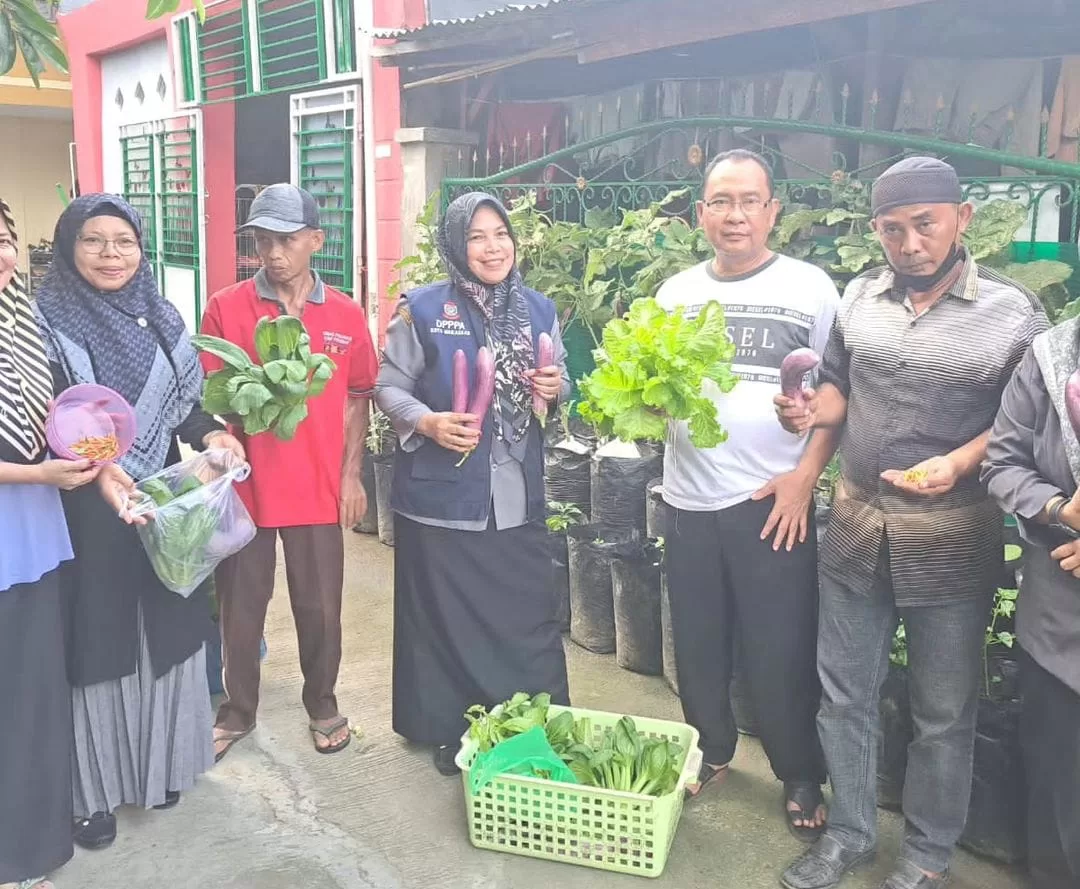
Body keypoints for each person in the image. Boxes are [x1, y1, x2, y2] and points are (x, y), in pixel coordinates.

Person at [776, 157, 1047, 889]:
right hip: (857, 528)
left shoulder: (1014, 312)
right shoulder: (859, 296)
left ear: (961, 218)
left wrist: (959, 461)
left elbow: (1028, 422)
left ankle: (927, 855)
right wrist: (808, 412)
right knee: (845, 694)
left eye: (925, 223)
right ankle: (852, 832)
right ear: (876, 232)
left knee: (942, 709)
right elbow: (837, 390)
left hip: (953, 538)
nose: (911, 242)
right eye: (893, 228)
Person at [32, 195, 243, 851]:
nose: (111, 254)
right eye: (93, 241)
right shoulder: (43, 326)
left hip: (159, 497)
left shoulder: (162, 316)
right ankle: (91, 795)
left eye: (123, 241)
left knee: (169, 627)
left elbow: (185, 407)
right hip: (83, 507)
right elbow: (41, 423)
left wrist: (216, 434)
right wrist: (96, 468)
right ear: (69, 248)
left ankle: (163, 768)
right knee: (98, 638)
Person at [655, 150, 838, 838]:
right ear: (701, 212)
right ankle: (710, 748)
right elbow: (653, 388)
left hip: (772, 502)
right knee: (698, 641)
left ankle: (798, 770)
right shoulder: (674, 294)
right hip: (686, 498)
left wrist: (805, 475)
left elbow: (837, 396)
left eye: (749, 201)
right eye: (720, 201)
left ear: (772, 211)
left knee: (779, 648)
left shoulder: (812, 289)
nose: (735, 215)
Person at [375, 192, 571, 776]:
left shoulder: (539, 310)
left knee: (526, 613)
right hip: (444, 498)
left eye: (501, 234)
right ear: (457, 247)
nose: (493, 247)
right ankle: (451, 728)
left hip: (516, 494)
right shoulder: (424, 308)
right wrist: (428, 422)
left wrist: (555, 390)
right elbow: (388, 387)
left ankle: (531, 723)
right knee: (446, 621)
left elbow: (564, 389)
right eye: (477, 237)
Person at [202, 184, 377, 760]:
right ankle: (238, 710)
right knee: (240, 607)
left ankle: (322, 703)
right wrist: (222, 434)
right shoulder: (226, 307)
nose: (273, 253)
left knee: (321, 606)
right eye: (262, 241)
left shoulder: (346, 313)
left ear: (315, 241)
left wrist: (351, 477)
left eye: (286, 240)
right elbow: (211, 397)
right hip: (246, 485)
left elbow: (357, 397)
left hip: (319, 485)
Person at [0, 196, 91, 889]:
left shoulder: (23, 324)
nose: (3, 253)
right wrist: (39, 471)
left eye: (5, 237)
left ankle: (27, 853)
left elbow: (58, 413)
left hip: (31, 534)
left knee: (29, 698)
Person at [982, 319, 1080, 889]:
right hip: (1059, 632)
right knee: (1059, 799)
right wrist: (1062, 509)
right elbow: (1004, 463)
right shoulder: (1051, 359)